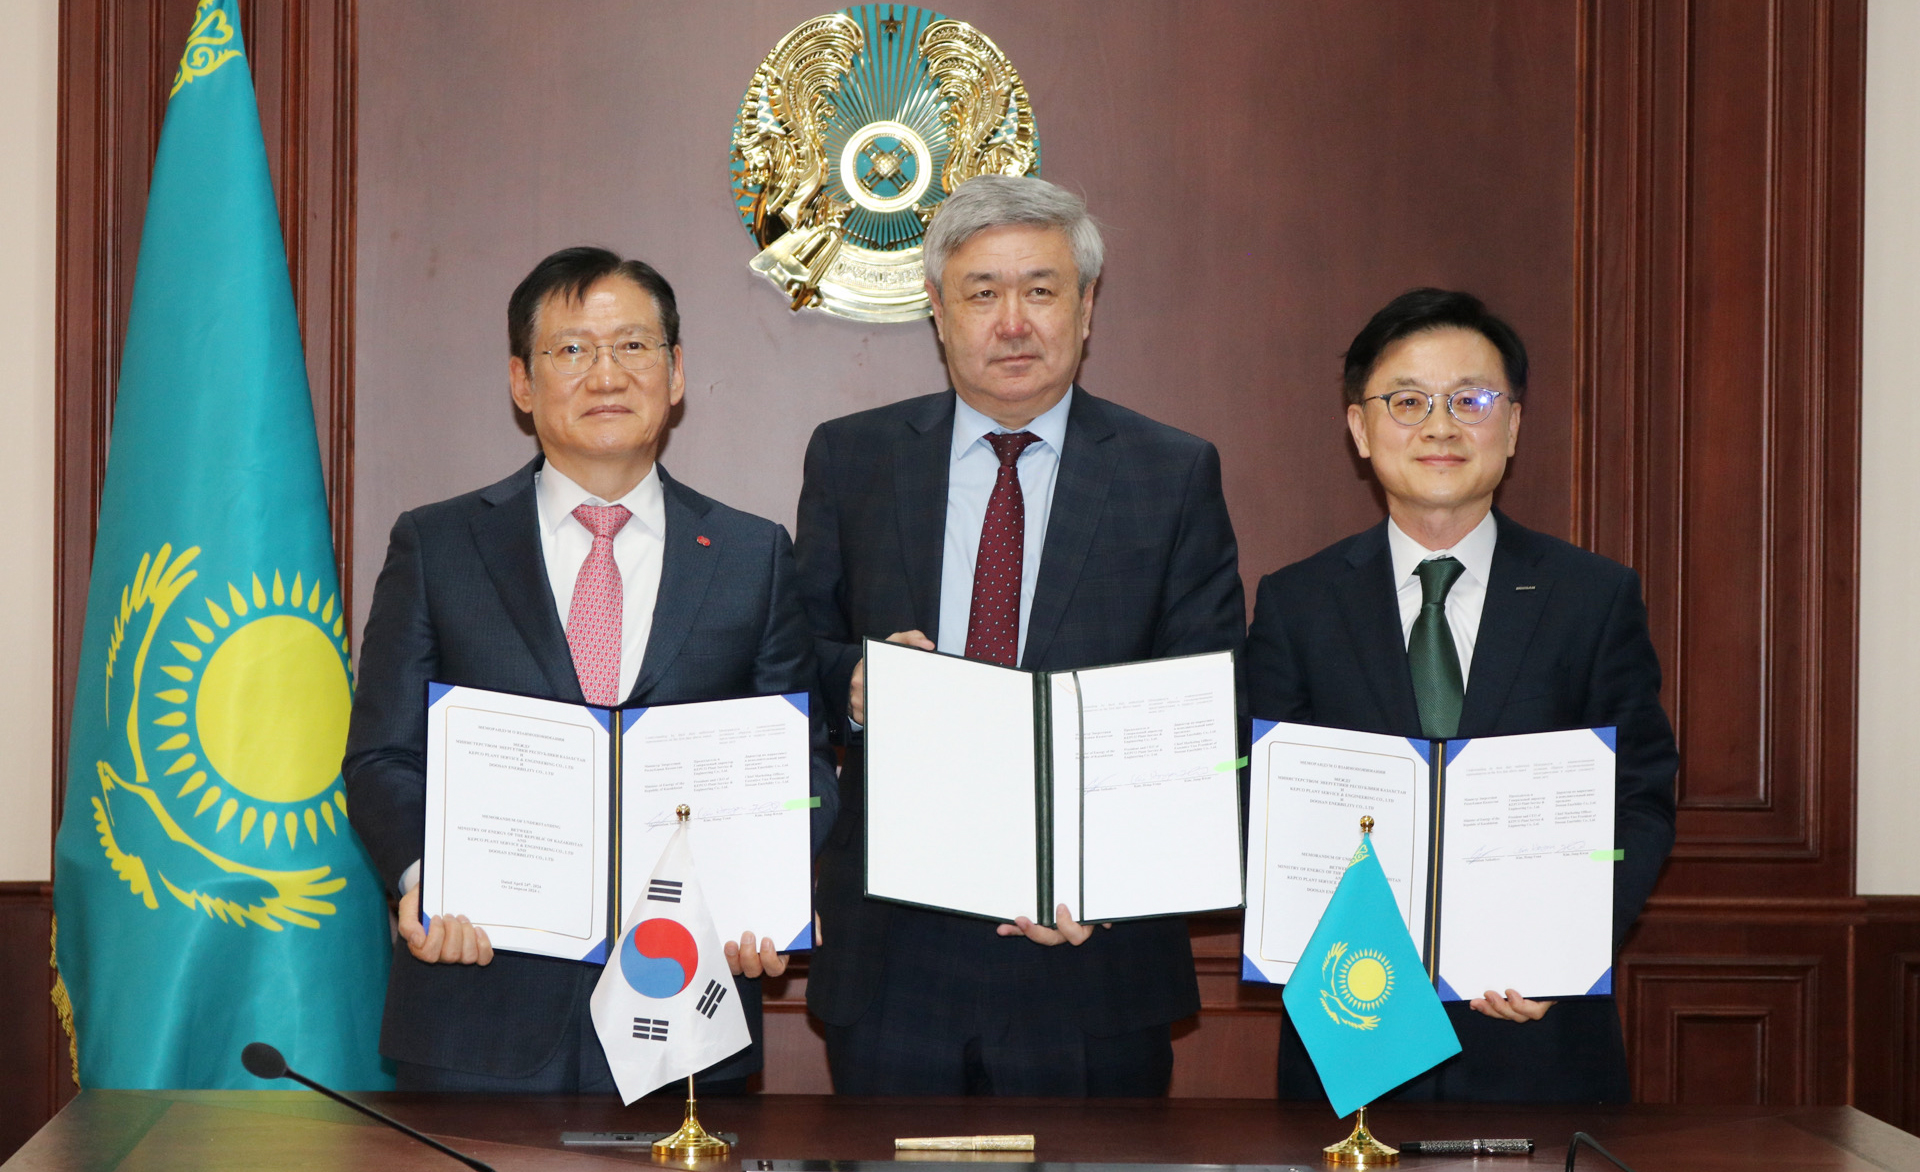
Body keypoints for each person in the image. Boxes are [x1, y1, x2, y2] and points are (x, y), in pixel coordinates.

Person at [343, 246, 838, 1093]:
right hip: (478, 1007)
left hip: (687, 1015)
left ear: (676, 373)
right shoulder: (439, 545)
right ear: (521, 383)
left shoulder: (752, 555)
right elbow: (381, 755)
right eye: (571, 349)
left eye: (634, 347)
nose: (605, 373)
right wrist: (432, 882)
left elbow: (806, 766)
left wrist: (769, 891)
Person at [793, 175, 1246, 1096]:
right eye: (982, 292)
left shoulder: (1171, 472)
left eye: (1040, 290)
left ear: (1086, 308)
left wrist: (1107, 886)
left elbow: (1209, 699)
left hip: (1093, 952)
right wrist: (853, 681)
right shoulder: (853, 457)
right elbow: (792, 652)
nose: (1013, 322)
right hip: (895, 952)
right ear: (936, 309)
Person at [1247, 287, 1677, 1102]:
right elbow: (1264, 803)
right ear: (1359, 429)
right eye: (1407, 402)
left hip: (1539, 1033)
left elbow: (1643, 798)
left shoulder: (1592, 598)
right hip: (1352, 1026)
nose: (1440, 427)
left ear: (1512, 427)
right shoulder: (1297, 603)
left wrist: (1566, 944)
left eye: (1471, 401)